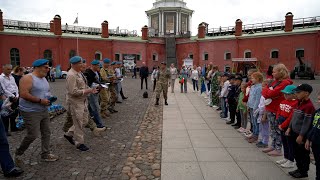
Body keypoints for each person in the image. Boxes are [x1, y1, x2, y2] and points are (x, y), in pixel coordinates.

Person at [15, 59, 59, 164]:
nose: (48, 69)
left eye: (48, 67)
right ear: (37, 67)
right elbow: (24, 94)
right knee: (33, 134)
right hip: (30, 111)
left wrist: (49, 98)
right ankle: (19, 152)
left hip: (43, 109)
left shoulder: (43, 78)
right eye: (46, 67)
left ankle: (45, 154)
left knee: (46, 132)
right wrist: (40, 100)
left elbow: (46, 92)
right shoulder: (27, 78)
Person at [64, 56, 98, 151]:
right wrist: (87, 91)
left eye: (82, 63)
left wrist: (91, 90)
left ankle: (69, 134)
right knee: (78, 123)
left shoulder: (79, 73)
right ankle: (79, 143)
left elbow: (84, 85)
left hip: (83, 100)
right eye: (80, 63)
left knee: (85, 121)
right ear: (73, 64)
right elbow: (73, 92)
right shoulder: (71, 75)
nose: (82, 65)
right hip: (75, 102)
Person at [262, 63, 293, 156]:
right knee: (272, 129)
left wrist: (267, 91)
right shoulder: (273, 81)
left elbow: (271, 93)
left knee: (277, 129)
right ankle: (273, 145)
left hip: (277, 109)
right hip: (270, 108)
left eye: (274, 72)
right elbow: (264, 91)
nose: (273, 73)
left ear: (281, 72)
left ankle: (278, 148)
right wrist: (267, 91)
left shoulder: (285, 83)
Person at [286, 84, 315, 178]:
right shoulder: (299, 102)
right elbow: (294, 117)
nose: (296, 94)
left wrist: (301, 135)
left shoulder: (309, 106)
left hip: (301, 134)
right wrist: (290, 127)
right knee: (296, 152)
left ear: (306, 93)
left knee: (302, 153)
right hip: (294, 132)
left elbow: (307, 123)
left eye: (298, 92)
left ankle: (303, 171)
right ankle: (299, 168)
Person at [276, 85, 298, 168]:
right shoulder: (283, 101)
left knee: (290, 143)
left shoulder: (295, 103)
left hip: (287, 126)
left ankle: (291, 160)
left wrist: (283, 125)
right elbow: (279, 111)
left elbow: (291, 117)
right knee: (284, 142)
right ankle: (286, 157)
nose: (285, 95)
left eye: (287, 94)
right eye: (284, 94)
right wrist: (278, 120)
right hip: (281, 124)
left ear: (293, 94)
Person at [84, 60, 106, 129]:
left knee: (91, 108)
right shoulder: (88, 73)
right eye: (97, 66)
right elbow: (87, 84)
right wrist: (96, 86)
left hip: (96, 92)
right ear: (93, 66)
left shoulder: (97, 72)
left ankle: (90, 121)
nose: (99, 67)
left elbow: (99, 80)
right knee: (96, 108)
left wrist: (102, 84)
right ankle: (99, 124)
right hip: (91, 93)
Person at [0, 64, 20, 134]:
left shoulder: (12, 77)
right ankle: (5, 130)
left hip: (15, 95)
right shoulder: (1, 78)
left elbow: (16, 86)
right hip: (7, 97)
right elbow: (4, 89)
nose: (9, 71)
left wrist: (17, 95)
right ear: (3, 69)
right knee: (6, 114)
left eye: (10, 69)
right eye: (8, 69)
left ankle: (13, 127)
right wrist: (12, 96)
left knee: (14, 112)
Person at [305, 91, 320, 180]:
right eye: (318, 99)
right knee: (318, 164)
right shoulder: (317, 112)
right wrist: (308, 139)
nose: (319, 102)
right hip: (315, 142)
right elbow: (312, 126)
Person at [246, 72, 263, 143]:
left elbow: (257, 99)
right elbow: (250, 97)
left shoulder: (259, 87)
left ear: (258, 79)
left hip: (255, 107)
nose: (251, 79)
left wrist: (255, 108)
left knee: (256, 122)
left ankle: (256, 135)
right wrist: (248, 105)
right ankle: (253, 134)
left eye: (253, 78)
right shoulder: (253, 86)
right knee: (253, 121)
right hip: (250, 106)